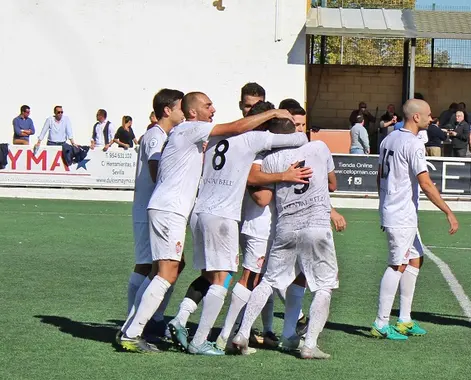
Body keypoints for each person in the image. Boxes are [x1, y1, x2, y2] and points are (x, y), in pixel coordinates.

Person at [116, 91, 292, 353]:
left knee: (165, 271)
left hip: (171, 209)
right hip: (170, 209)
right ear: (193, 112)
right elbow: (236, 127)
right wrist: (274, 114)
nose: (213, 109)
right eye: (208, 105)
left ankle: (130, 328)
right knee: (166, 273)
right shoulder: (190, 128)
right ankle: (133, 333)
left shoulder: (189, 134)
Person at [179, 100, 309, 356]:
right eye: (294, 124)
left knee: (256, 279)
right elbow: (261, 196)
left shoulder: (222, 139)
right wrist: (283, 175)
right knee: (244, 278)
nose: (298, 129)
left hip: (219, 214)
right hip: (255, 223)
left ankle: (259, 330)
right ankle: (225, 337)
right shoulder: (257, 145)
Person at [232, 123, 345, 359]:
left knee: (268, 281)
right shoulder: (319, 147)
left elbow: (259, 187)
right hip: (316, 224)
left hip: (286, 226)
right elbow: (333, 184)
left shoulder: (271, 159)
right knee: (324, 286)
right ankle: (309, 345)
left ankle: (242, 333)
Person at [370, 99, 459, 340]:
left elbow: (379, 177)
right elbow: (425, 183)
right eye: (429, 115)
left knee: (415, 259)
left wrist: (383, 205)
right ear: (416, 117)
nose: (432, 118)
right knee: (397, 265)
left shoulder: (389, 138)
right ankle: (380, 323)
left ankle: (404, 319)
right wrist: (448, 212)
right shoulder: (413, 143)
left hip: (398, 211)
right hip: (400, 214)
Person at [123, 89, 185, 348]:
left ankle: (152, 318)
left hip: (153, 208)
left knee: (173, 264)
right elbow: (155, 170)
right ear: (167, 110)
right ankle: (133, 323)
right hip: (150, 209)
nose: (184, 112)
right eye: (181, 108)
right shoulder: (155, 136)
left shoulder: (163, 135)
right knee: (148, 266)